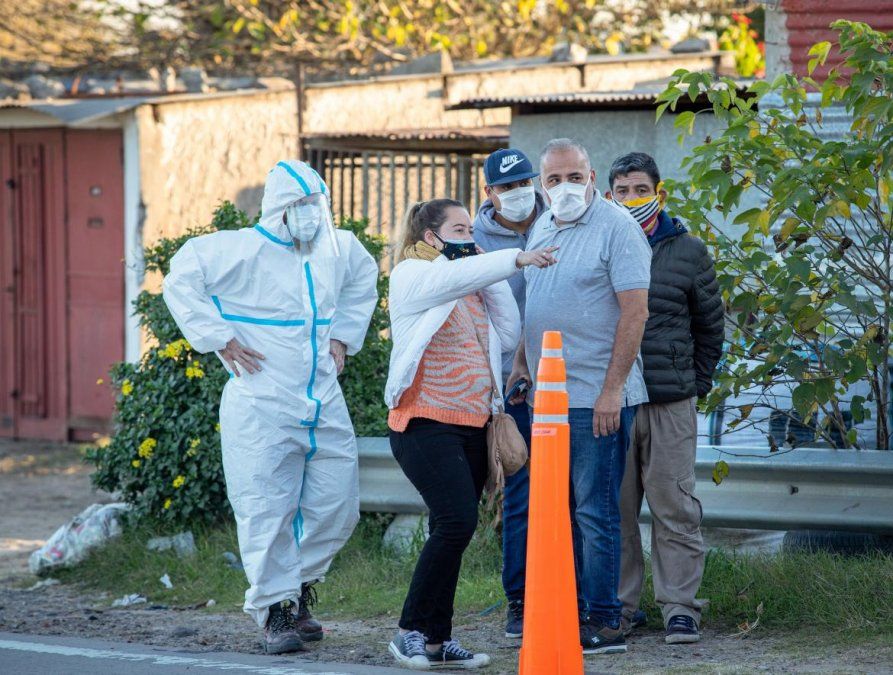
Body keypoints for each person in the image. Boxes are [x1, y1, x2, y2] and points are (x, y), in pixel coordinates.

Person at [162, 160, 379, 654]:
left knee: (336, 506)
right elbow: (180, 278)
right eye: (300, 206)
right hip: (260, 400)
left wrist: (344, 335)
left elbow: (364, 279)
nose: (310, 214)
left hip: (323, 397)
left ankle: (298, 589)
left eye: (316, 205)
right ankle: (275, 611)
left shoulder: (338, 247)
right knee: (265, 508)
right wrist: (218, 338)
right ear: (278, 210)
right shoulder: (239, 250)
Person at [385, 199, 557, 669]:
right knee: (457, 522)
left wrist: (488, 271)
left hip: (473, 424)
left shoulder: (473, 282)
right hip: (423, 420)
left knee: (453, 530)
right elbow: (446, 280)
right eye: (459, 228)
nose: (471, 235)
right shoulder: (411, 276)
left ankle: (438, 641)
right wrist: (513, 259)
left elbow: (508, 327)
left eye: (470, 228)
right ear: (431, 239)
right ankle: (408, 631)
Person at [508, 138, 651, 655]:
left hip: (596, 396)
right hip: (547, 397)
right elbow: (538, 303)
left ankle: (605, 620)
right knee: (557, 509)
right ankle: (564, 608)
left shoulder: (619, 228)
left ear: (592, 177)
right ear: (541, 186)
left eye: (574, 177)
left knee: (595, 511)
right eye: (553, 180)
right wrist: (522, 363)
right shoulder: (544, 226)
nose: (564, 187)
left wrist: (613, 390)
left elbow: (635, 312)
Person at [607, 152, 724, 645]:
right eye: (622, 191)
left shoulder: (688, 250)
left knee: (674, 505)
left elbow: (710, 325)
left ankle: (680, 607)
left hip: (670, 400)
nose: (631, 199)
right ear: (608, 195)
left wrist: (692, 383)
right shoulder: (603, 242)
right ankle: (621, 607)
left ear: (659, 192)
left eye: (640, 189)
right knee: (616, 507)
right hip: (613, 401)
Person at [471, 148, 547, 639]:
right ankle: (520, 601)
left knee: (580, 498)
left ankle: (585, 598)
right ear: (489, 194)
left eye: (524, 182)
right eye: (505, 187)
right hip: (510, 389)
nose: (517, 193)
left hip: (565, 380)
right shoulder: (472, 239)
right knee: (519, 497)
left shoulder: (562, 219)